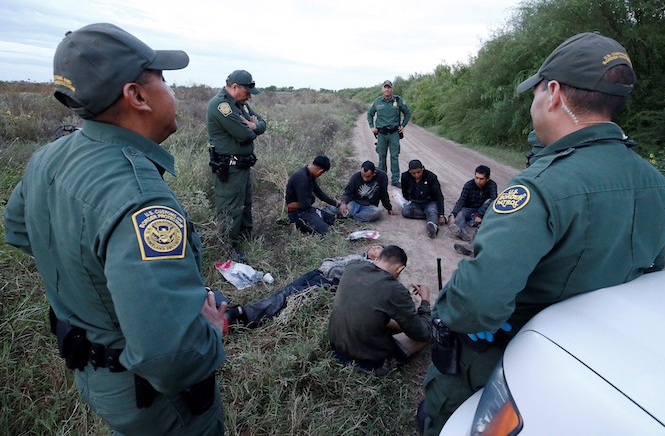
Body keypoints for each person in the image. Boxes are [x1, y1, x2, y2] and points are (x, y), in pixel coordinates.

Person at [420, 32, 665, 435]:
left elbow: (476, 304)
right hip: (590, 361)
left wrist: (442, 311)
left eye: (535, 93)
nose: (534, 104)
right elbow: (650, 276)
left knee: (445, 415)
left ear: (554, 93)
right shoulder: (657, 184)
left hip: (510, 357)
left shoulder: (538, 188)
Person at [4, 23, 229, 435]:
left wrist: (91, 290)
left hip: (96, 374)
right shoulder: (141, 198)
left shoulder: (48, 157)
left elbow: (20, 231)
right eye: (164, 79)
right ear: (137, 96)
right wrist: (212, 333)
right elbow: (171, 358)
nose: (172, 92)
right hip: (154, 399)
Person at [216, 245, 384, 327]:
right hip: (317, 272)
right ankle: (245, 313)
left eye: (380, 250)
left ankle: (246, 315)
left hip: (326, 282)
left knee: (288, 297)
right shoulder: (358, 256)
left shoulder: (368, 266)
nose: (375, 248)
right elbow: (333, 262)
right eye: (375, 246)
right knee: (285, 292)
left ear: (381, 259)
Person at [328, 245, 432, 376]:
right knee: (427, 331)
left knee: (376, 315)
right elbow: (422, 333)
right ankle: (384, 362)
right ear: (400, 268)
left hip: (336, 347)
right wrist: (425, 300)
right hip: (365, 363)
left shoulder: (353, 266)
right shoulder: (395, 290)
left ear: (378, 258)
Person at [207, 69, 267, 262]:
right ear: (234, 87)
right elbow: (245, 135)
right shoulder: (221, 105)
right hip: (229, 167)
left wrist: (254, 126)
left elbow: (263, 123)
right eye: (247, 91)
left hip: (242, 165)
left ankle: (244, 237)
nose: (249, 96)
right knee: (229, 207)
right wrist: (252, 128)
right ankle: (228, 247)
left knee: (245, 203)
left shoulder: (240, 105)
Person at [367, 80, 412, 187]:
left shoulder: (398, 101)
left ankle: (395, 180)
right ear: (382, 89)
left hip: (394, 133)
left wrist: (403, 125)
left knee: (394, 157)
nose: (387, 89)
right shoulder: (377, 101)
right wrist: (372, 126)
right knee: (382, 157)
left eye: (389, 87)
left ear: (392, 89)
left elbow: (407, 113)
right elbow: (370, 114)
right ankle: (382, 179)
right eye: (385, 87)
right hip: (381, 134)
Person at [286, 155, 340, 235]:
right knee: (327, 231)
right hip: (298, 213)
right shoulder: (302, 178)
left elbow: (319, 193)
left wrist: (336, 204)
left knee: (332, 219)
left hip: (307, 209)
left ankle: (317, 218)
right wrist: (312, 198)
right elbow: (304, 204)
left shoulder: (309, 175)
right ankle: (298, 225)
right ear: (320, 171)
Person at [400, 159, 446, 238]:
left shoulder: (431, 177)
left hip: (429, 201)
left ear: (423, 169)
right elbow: (404, 190)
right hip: (415, 202)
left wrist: (441, 215)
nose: (416, 175)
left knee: (431, 210)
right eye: (413, 173)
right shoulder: (405, 176)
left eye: (418, 172)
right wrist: (408, 199)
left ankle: (433, 226)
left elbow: (439, 196)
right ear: (409, 171)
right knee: (405, 211)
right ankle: (432, 216)